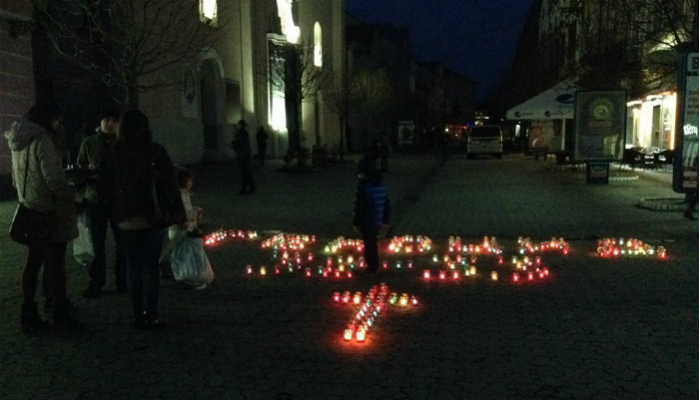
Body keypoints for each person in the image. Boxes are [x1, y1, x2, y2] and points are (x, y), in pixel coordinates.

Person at [100, 110, 183, 329]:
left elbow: (104, 187)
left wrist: (114, 211)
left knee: (133, 267)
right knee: (150, 267)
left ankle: (138, 315)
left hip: (125, 219)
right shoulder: (155, 152)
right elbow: (170, 185)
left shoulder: (112, 153)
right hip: (152, 217)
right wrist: (177, 212)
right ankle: (152, 314)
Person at [4, 101, 80, 334]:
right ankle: (60, 313)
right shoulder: (43, 140)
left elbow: (17, 178)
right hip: (49, 211)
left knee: (33, 262)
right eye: (56, 119)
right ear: (48, 119)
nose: (58, 124)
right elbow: (54, 181)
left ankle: (28, 312)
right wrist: (72, 196)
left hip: (29, 208)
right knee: (56, 265)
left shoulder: (18, 142)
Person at [77, 107, 127, 298]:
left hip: (117, 201)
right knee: (97, 245)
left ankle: (122, 281)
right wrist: (87, 172)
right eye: (107, 119)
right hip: (95, 200)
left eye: (114, 120)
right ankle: (96, 283)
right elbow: (79, 170)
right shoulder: (88, 143)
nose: (111, 123)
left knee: (122, 244)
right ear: (100, 122)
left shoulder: (122, 144)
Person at [353, 170, 391, 274]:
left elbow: (360, 207)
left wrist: (356, 222)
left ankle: (372, 266)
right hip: (377, 220)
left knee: (369, 243)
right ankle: (373, 264)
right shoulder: (382, 188)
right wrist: (385, 220)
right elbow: (386, 206)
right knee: (372, 242)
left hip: (367, 220)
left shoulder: (365, 189)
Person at [232, 120, 256, 194]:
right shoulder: (244, 133)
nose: (237, 126)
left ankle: (244, 188)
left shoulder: (241, 133)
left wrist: (235, 146)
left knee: (244, 172)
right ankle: (251, 186)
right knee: (246, 172)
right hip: (244, 154)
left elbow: (242, 144)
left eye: (238, 125)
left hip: (243, 155)